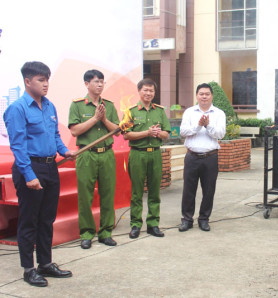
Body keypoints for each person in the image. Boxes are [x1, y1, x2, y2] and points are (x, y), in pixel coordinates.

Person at [3, 61, 74, 287]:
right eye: (41, 80)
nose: (46, 85)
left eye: (47, 80)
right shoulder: (18, 109)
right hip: (30, 169)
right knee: (29, 221)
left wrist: (65, 151)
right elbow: (18, 145)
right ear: (27, 81)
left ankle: (45, 263)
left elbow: (55, 136)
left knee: (47, 219)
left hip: (50, 168)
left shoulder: (50, 106)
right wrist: (28, 175)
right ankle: (28, 269)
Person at [68, 69, 120, 249]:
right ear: (86, 84)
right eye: (96, 81)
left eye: (102, 82)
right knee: (85, 196)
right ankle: (87, 233)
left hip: (106, 153)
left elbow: (117, 130)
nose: (100, 85)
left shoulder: (109, 105)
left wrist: (104, 118)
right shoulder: (77, 105)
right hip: (86, 154)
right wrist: (94, 118)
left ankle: (106, 232)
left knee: (108, 194)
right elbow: (74, 130)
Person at [123, 78, 171, 238]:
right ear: (139, 91)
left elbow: (166, 134)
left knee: (154, 191)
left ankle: (153, 224)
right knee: (137, 192)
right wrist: (147, 133)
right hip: (138, 153)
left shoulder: (160, 111)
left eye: (151, 91)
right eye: (145, 90)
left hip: (155, 154)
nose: (148, 93)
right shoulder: (131, 111)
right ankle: (135, 225)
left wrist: (159, 133)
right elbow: (125, 135)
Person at [178, 83, 226, 232]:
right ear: (197, 96)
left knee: (209, 190)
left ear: (212, 96)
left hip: (210, 157)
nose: (204, 96)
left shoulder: (219, 113)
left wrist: (207, 125)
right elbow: (183, 131)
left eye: (207, 94)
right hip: (192, 156)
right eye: (201, 94)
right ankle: (187, 219)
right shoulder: (189, 112)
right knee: (188, 190)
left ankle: (204, 219)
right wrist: (198, 126)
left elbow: (220, 134)